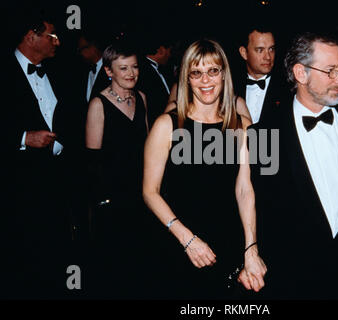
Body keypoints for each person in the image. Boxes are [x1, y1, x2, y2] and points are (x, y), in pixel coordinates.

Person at [251, 32, 338, 299]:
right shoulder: (262, 136)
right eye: (331, 71)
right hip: (294, 281)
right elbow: (261, 208)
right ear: (301, 73)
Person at [142, 39, 266, 299]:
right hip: (178, 243)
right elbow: (150, 192)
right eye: (196, 73)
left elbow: (245, 190)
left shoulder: (241, 126)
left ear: (224, 74)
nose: (205, 80)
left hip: (229, 242)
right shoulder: (166, 125)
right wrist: (188, 240)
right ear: (187, 78)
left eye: (213, 71)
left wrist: (251, 248)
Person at [3, 8, 82, 298]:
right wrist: (23, 137)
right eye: (52, 36)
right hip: (19, 185)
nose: (57, 42)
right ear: (30, 36)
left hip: (59, 178)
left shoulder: (61, 71)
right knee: (25, 256)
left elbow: (71, 115)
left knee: (58, 251)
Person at [85, 40, 150, 298]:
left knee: (140, 266)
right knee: (114, 270)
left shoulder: (142, 98)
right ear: (109, 71)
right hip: (111, 201)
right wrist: (104, 203)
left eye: (134, 67)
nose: (131, 73)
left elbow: (146, 149)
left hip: (141, 195)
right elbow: (92, 163)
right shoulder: (98, 105)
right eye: (123, 68)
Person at [234, 24, 289, 124]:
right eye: (260, 50)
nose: (268, 57)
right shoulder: (230, 88)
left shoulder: (288, 88)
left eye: (271, 49)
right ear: (244, 53)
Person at [138, 33, 175, 129]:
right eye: (170, 51)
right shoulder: (142, 70)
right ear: (162, 50)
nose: (170, 55)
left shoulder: (162, 70)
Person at [77, 30, 110, 104]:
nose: (80, 54)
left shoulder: (111, 70)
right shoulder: (84, 72)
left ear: (93, 47)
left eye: (81, 49)